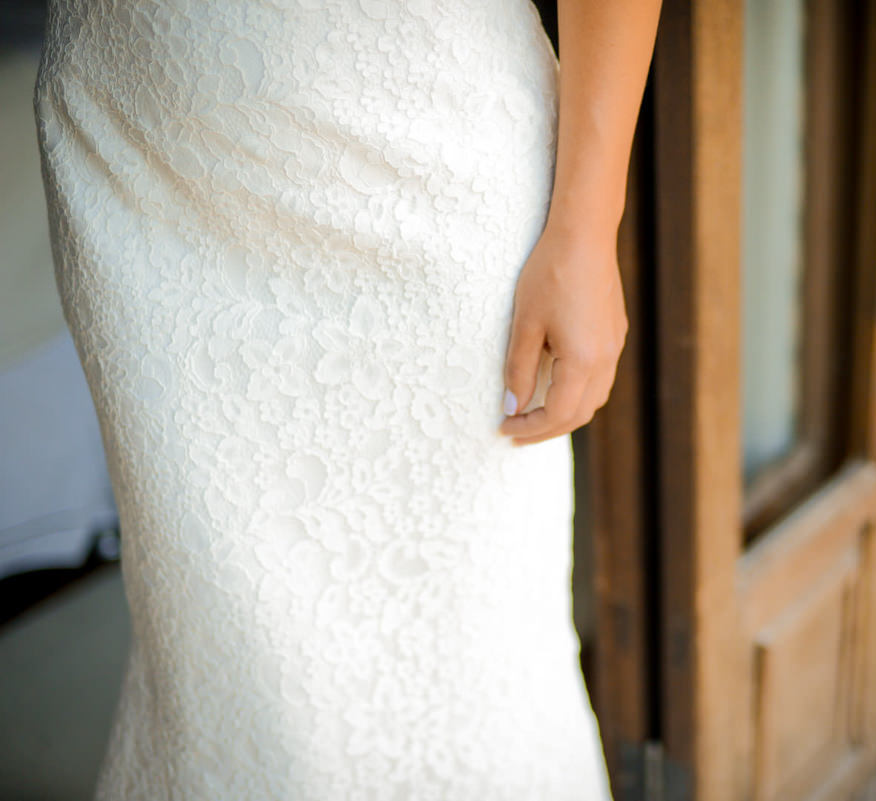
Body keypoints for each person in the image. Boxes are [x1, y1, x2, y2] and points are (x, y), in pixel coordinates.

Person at [32, 0, 661, 798]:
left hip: (414, 153)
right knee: (228, 662)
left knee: (467, 642)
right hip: (143, 159)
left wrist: (587, 224)